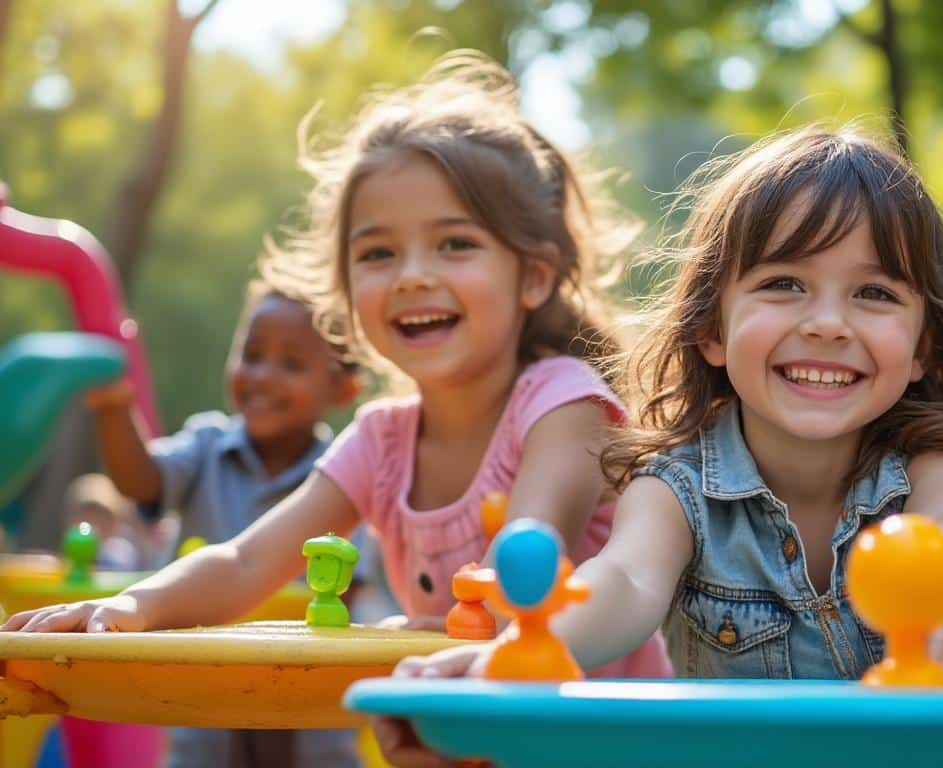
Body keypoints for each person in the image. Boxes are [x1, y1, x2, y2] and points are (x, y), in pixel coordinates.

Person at [1, 50, 670, 672]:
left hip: (599, 736)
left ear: (532, 277)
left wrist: (419, 629)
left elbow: (524, 557)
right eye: (378, 253)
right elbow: (245, 559)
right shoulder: (382, 440)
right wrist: (133, 607)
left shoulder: (564, 405)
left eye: (455, 244)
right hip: (469, 727)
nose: (410, 276)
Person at [377, 125, 943, 765]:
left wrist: (934, 590)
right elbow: (627, 580)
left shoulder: (926, 459)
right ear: (712, 329)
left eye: (874, 293)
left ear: (923, 349)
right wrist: (514, 654)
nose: (828, 323)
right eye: (784, 284)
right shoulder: (673, 487)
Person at [74, 278, 362, 768]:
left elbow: (357, 593)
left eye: (291, 364)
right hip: (204, 724)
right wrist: (114, 406)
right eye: (251, 355)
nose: (263, 377)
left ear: (343, 388)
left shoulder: (348, 471)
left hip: (311, 732)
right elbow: (139, 480)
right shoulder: (205, 446)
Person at [62, 473, 141, 570]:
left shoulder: (121, 556)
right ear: (70, 521)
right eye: (86, 517)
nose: (94, 526)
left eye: (103, 519)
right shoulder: (67, 554)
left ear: (116, 524)